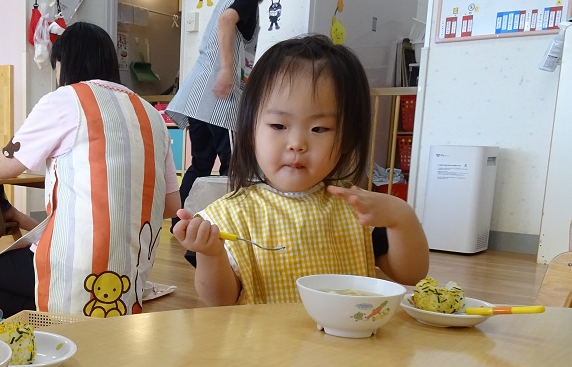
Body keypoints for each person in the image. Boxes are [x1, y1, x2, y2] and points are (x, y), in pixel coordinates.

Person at [173, 34, 429, 305]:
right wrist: (211, 254)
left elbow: (410, 274)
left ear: (347, 138)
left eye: (319, 128)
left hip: (344, 334)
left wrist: (401, 217)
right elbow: (220, 301)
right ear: (250, 131)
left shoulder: (355, 210)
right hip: (264, 334)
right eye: (278, 126)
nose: (297, 143)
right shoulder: (228, 217)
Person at [0, 22, 181, 317]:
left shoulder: (65, 99)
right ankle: (56, 317)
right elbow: (170, 206)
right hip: (129, 275)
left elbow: (2, 167)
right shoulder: (152, 116)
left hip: (69, 264)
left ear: (63, 63)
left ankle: (49, 320)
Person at [167, 0, 286, 212]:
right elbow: (226, 22)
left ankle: (180, 221)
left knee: (200, 164)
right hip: (220, 97)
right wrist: (226, 70)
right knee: (234, 164)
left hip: (199, 94)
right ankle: (227, 219)